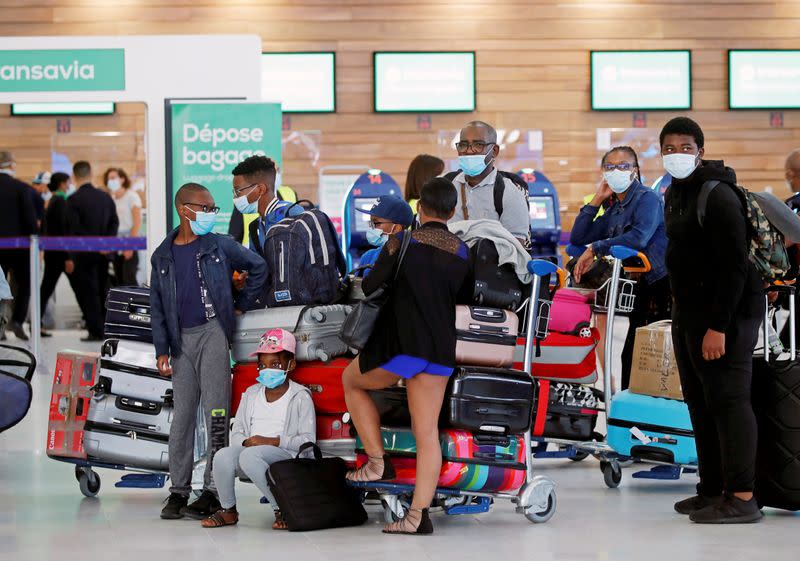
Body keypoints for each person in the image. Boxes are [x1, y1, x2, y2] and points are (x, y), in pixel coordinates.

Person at [343, 177, 472, 535]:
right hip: (441, 349)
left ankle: (376, 463)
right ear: (453, 211)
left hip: (402, 346)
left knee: (351, 381)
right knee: (426, 431)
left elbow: (370, 287)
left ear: (419, 208)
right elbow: (464, 295)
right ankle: (417, 517)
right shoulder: (463, 250)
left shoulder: (401, 241)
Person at [662, 117, 764, 524]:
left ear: (700, 151)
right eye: (669, 148)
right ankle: (711, 489)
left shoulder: (718, 194)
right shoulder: (674, 192)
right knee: (700, 403)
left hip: (727, 313)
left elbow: (735, 268)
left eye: (684, 147)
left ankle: (742, 496)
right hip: (690, 311)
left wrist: (719, 326)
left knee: (728, 400)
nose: (676, 155)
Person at [151, 182, 267, 521]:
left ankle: (213, 490)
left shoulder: (219, 245)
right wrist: (162, 349)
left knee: (215, 415)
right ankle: (178, 491)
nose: (211, 214)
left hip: (213, 334)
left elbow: (257, 266)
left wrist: (240, 304)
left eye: (214, 208)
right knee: (182, 417)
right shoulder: (163, 256)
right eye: (206, 208)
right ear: (185, 210)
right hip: (180, 342)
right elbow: (157, 306)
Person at [570, 146, 670, 389]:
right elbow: (578, 236)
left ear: (635, 171)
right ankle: (630, 408)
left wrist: (595, 248)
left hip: (662, 285)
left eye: (623, 166)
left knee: (654, 356)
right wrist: (597, 200)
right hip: (640, 286)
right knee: (634, 354)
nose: (616, 171)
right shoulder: (616, 207)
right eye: (610, 167)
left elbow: (638, 238)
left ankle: (647, 411)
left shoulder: (647, 199)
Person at [201, 328, 315, 529]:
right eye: (262, 365)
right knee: (222, 456)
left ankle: (283, 507)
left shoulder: (300, 396)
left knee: (249, 456)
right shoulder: (251, 394)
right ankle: (228, 510)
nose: (266, 369)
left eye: (275, 364)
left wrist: (271, 441)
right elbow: (237, 432)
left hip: (286, 454)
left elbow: (307, 440)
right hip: (253, 451)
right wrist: (247, 442)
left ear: (292, 364)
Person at [229, 156, 303, 293]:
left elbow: (296, 264)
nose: (235, 197)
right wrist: (249, 277)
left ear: (260, 189)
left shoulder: (293, 214)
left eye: (238, 191)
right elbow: (259, 266)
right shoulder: (255, 226)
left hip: (297, 302)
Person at [447, 121, 530, 243]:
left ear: (494, 150)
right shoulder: (447, 186)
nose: (469, 151)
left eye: (478, 144)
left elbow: (516, 248)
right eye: (463, 144)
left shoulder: (509, 193)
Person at [66, 160, 118, 342]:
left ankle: (95, 330)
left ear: (74, 176)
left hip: (83, 256)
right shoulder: (105, 198)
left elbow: (72, 230)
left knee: (88, 293)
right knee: (104, 291)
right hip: (104, 255)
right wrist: (106, 245)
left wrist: (72, 256)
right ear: (91, 174)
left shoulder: (73, 200)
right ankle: (105, 328)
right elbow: (114, 222)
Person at [0, 151, 37, 341]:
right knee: (24, 284)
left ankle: (0, 327)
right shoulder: (21, 188)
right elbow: (30, 220)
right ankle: (17, 321)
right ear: (12, 166)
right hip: (19, 248)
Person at [39, 172, 80, 337]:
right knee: (80, 288)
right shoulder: (61, 202)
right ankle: (95, 325)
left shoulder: (52, 202)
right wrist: (69, 257)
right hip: (61, 256)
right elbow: (64, 231)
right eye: (68, 182)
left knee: (45, 290)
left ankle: (37, 323)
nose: (69, 185)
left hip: (52, 254)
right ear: (62, 184)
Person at [228, 162, 298, 246]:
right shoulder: (244, 201)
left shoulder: (290, 193)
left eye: (278, 170)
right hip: (252, 254)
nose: (276, 174)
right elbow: (234, 237)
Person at [354, 195, 414, 273]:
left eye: (376, 223)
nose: (372, 228)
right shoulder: (368, 256)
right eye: (371, 223)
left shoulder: (411, 259)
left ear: (396, 228)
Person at [104, 167, 142, 286]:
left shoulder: (132, 196)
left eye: (113, 177)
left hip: (129, 242)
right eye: (109, 179)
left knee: (129, 279)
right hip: (116, 244)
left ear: (122, 179)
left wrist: (130, 246)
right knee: (118, 280)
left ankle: (136, 305)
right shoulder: (112, 199)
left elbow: (137, 223)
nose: (111, 181)